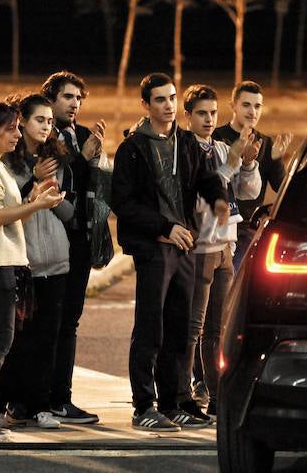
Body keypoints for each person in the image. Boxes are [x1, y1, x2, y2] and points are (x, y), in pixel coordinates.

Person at [112, 73, 230, 432]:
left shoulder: (186, 142)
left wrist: (219, 200)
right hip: (154, 247)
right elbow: (123, 203)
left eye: (172, 98)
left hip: (184, 246)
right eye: (160, 100)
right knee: (151, 328)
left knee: (180, 328)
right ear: (145, 105)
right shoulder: (133, 148)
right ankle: (143, 405)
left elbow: (204, 179)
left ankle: (174, 401)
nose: (169, 105)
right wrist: (164, 228)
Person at [0, 102, 65, 440]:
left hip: (5, 260)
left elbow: (10, 215)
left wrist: (32, 199)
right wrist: (36, 204)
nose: (18, 134)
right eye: (12, 128)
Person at [177, 85, 261, 421]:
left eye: (212, 113)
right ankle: (183, 395)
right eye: (201, 113)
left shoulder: (223, 146)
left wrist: (249, 164)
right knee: (192, 329)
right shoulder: (185, 150)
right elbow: (201, 201)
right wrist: (230, 166)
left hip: (225, 247)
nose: (209, 119)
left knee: (217, 330)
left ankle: (215, 397)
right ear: (189, 116)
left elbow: (246, 191)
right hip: (200, 250)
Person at [0, 94, 74, 429]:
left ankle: (42, 404)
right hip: (23, 262)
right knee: (18, 338)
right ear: (22, 122)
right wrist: (33, 180)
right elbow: (10, 212)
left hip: (56, 261)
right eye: (39, 120)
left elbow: (70, 213)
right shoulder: (7, 164)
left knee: (48, 337)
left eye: (49, 121)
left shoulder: (58, 161)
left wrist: (52, 196)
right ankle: (15, 402)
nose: (46, 126)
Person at [40, 71, 106, 424]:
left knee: (70, 321)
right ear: (51, 99)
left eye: (79, 98)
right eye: (67, 97)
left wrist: (96, 157)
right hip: (52, 237)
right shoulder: (45, 137)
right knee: (50, 320)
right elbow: (60, 185)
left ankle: (59, 396)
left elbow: (95, 189)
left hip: (79, 237)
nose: (75, 104)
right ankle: (46, 398)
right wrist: (83, 158)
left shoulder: (82, 136)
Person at [213, 80, 293, 271]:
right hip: (219, 228)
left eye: (257, 106)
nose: (252, 112)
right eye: (246, 105)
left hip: (248, 229)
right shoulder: (216, 136)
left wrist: (276, 160)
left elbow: (281, 188)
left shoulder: (264, 142)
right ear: (233, 106)